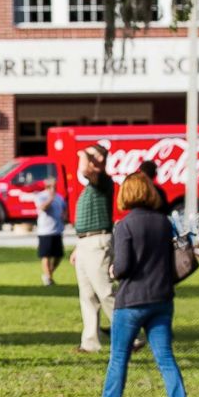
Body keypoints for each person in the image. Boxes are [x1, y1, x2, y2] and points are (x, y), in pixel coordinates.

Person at [84, 173, 190, 397]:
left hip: (131, 301)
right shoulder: (163, 223)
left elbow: (122, 267)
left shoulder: (125, 226)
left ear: (126, 194)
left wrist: (112, 271)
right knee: (166, 359)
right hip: (162, 299)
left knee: (118, 358)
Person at [71, 143, 118, 353]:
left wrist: (83, 153)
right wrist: (77, 248)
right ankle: (90, 342)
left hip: (97, 242)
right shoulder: (93, 185)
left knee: (105, 292)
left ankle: (130, 335)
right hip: (86, 242)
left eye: (92, 155)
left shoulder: (103, 180)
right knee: (88, 295)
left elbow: (84, 170)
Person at [36, 177, 66, 286]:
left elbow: (64, 209)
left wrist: (64, 216)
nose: (53, 189)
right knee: (46, 256)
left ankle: (49, 274)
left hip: (57, 230)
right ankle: (48, 278)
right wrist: (50, 198)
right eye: (51, 186)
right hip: (45, 231)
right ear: (47, 187)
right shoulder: (41, 196)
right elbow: (43, 208)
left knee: (59, 256)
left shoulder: (60, 198)